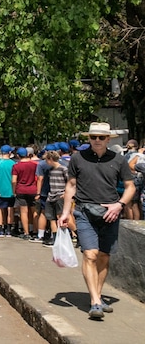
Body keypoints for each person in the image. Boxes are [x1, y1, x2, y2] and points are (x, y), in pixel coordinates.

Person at [59, 122, 137, 319]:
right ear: (89, 138)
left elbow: (130, 187)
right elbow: (71, 185)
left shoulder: (118, 160)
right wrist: (65, 213)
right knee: (90, 255)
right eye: (93, 137)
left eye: (101, 137)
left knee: (104, 256)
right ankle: (94, 301)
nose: (97, 140)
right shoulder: (78, 158)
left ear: (108, 140)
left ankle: (98, 295)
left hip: (110, 212)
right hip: (84, 211)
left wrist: (119, 204)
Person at [12, 147, 39, 239]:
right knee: (34, 211)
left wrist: (14, 190)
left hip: (21, 190)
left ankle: (26, 232)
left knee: (23, 212)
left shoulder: (16, 166)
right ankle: (35, 231)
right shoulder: (34, 165)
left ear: (18, 155)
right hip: (33, 189)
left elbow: (14, 180)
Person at [0, 146, 16, 236]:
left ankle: (0, 229)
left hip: (0, 190)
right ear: (9, 153)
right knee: (10, 208)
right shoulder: (14, 163)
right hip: (11, 190)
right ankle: (9, 229)